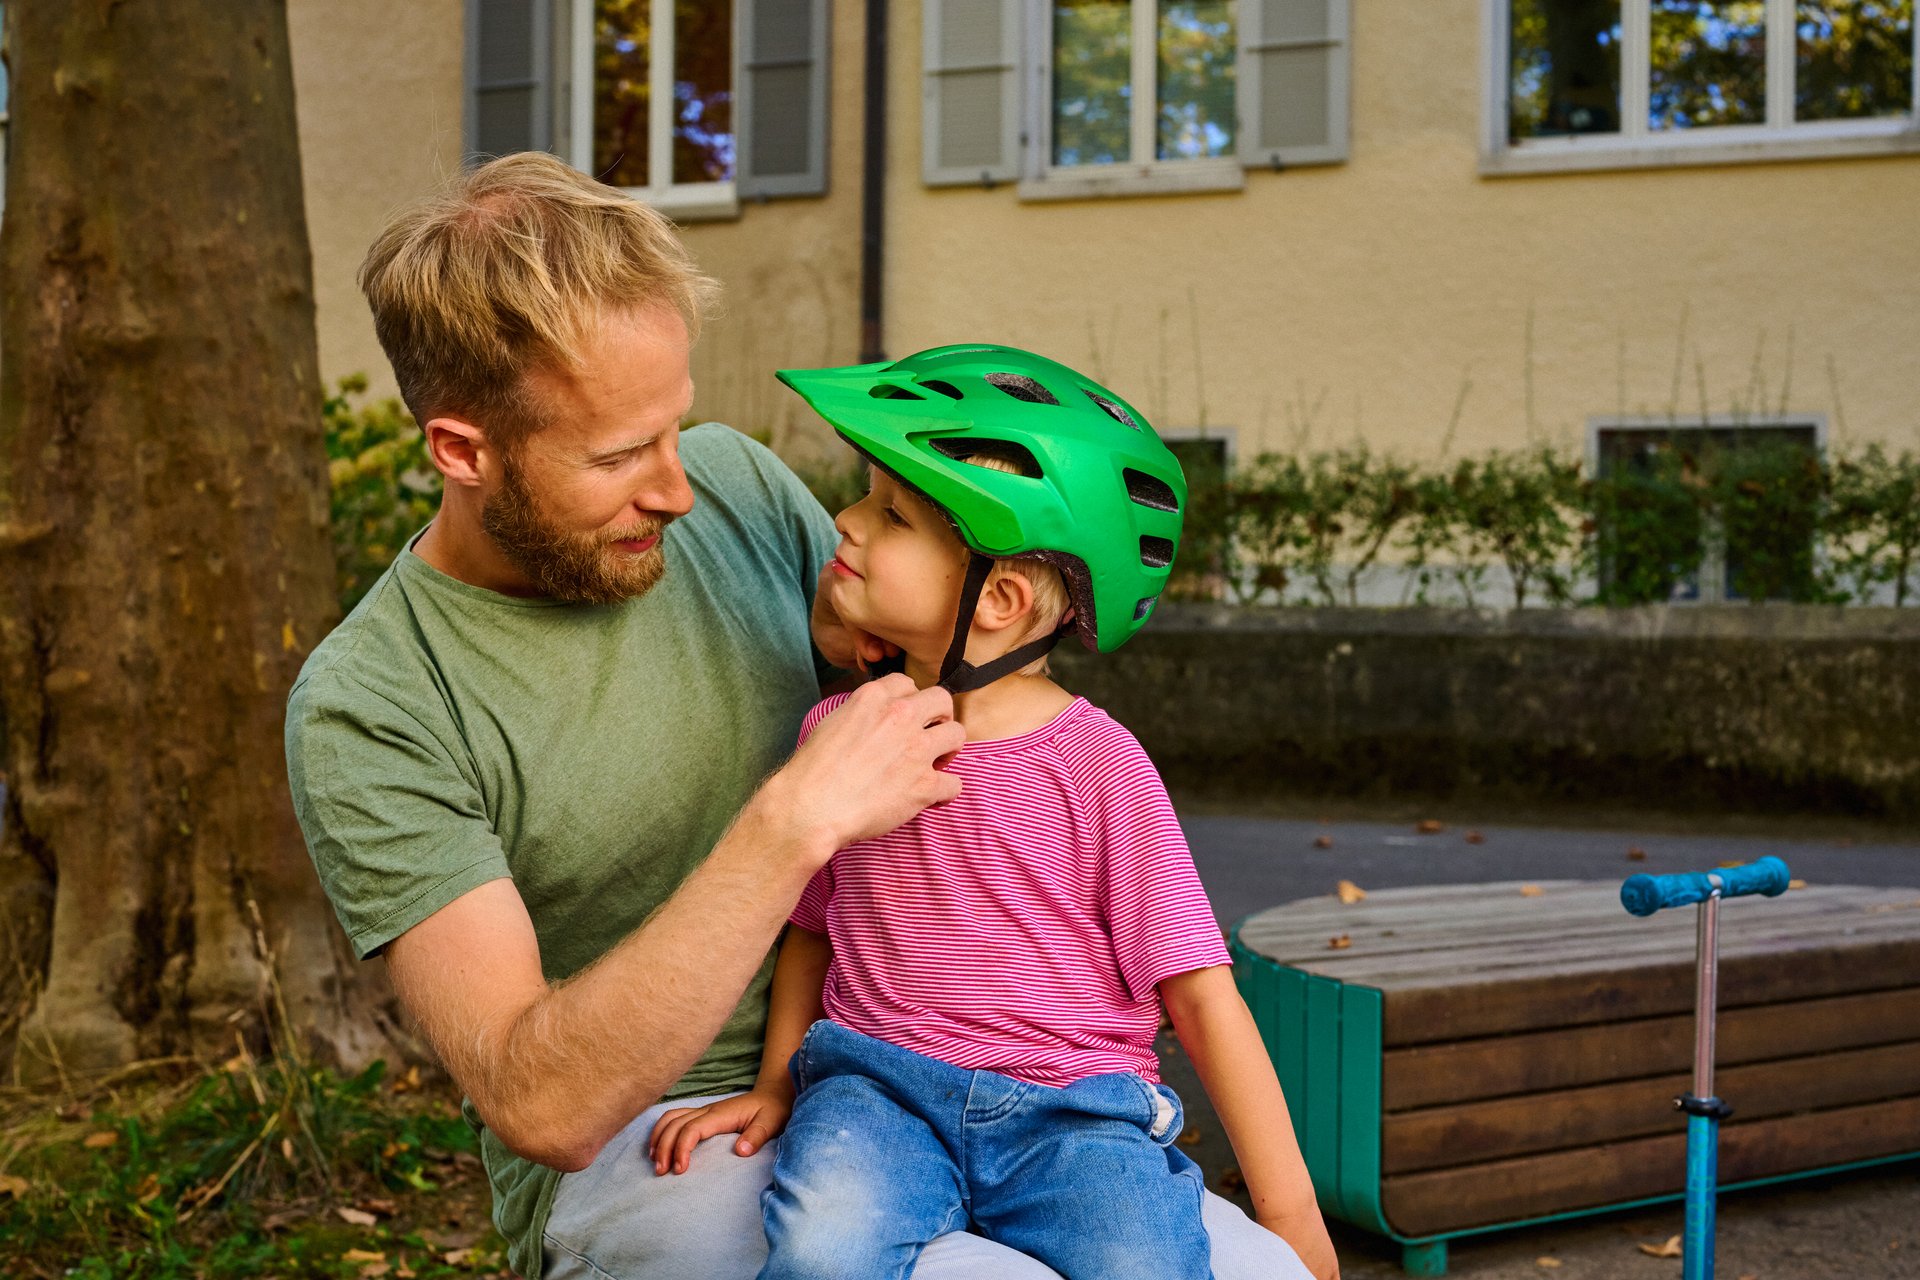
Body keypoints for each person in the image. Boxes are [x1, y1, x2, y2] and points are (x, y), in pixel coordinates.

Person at [286, 153, 1309, 1280]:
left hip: (949, 1081)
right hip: (656, 1131)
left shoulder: (733, 489)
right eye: (622, 454)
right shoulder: (376, 701)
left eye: (676, 426)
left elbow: (940, 643)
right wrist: (790, 825)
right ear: (462, 450)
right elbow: (543, 1100)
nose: (678, 489)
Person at [645, 345, 1340, 1280]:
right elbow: (810, 927)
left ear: (1001, 600)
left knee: (1153, 1266)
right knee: (820, 1247)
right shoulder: (842, 730)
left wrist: (1292, 1214)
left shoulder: (1098, 764)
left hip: (1076, 1116)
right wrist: (778, 1085)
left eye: (890, 514)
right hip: (876, 1093)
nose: (844, 521)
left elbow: (1200, 995)